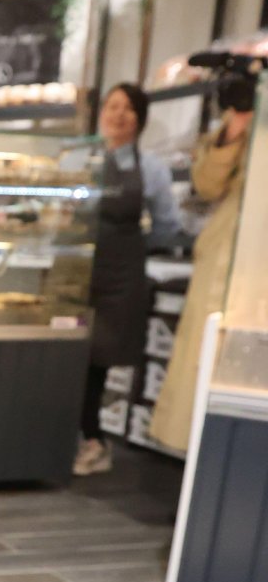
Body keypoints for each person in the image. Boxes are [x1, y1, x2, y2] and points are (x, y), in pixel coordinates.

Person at [75, 81, 184, 476]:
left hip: (119, 277)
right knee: (70, 356)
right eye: (112, 105)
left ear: (140, 118)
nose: (117, 114)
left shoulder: (151, 167)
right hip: (76, 273)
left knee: (96, 361)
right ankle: (72, 438)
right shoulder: (82, 158)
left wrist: (132, 247)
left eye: (128, 108)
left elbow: (168, 226)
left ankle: (93, 442)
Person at [149, 78, 254, 455]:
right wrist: (238, 124)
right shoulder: (253, 105)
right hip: (233, 257)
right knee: (211, 363)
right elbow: (206, 184)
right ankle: (206, 472)